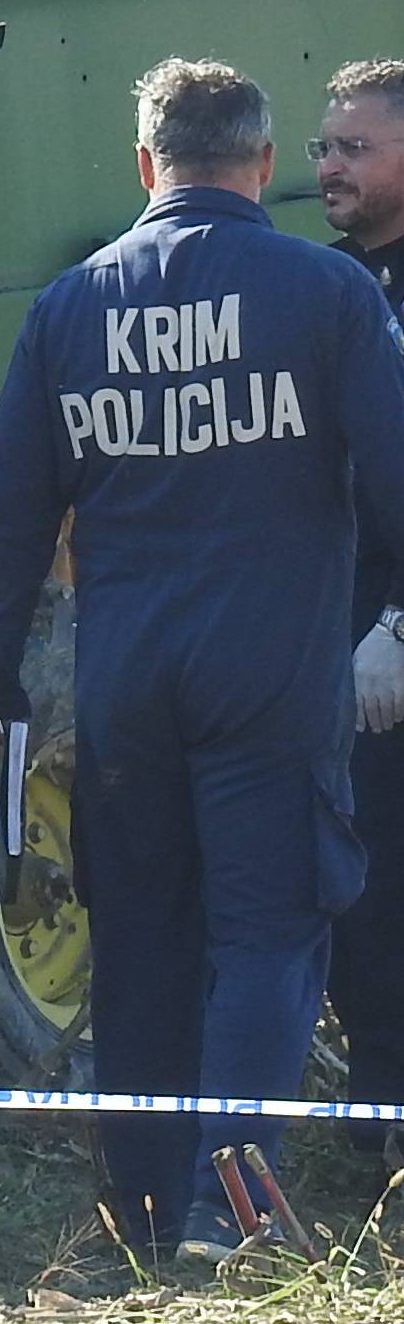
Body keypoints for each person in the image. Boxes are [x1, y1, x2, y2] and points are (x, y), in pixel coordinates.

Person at [0, 57, 404, 1270]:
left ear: (145, 166)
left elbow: (6, 516)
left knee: (142, 932)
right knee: (267, 930)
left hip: (124, 679)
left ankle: (144, 1205)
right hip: (270, 672)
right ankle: (229, 1210)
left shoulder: (70, 305)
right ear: (260, 166)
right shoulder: (328, 294)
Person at [312, 60, 404, 1125]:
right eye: (324, 148)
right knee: (363, 902)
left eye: (354, 149)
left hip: (388, 634)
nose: (329, 167)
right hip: (339, 649)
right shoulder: (326, 290)